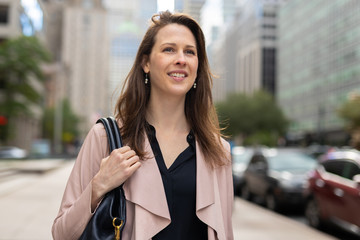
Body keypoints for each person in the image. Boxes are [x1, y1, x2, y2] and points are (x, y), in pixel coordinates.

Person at [52, 11, 234, 240]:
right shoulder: (105, 138)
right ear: (145, 63)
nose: (181, 59)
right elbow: (61, 234)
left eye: (190, 52)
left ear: (198, 67)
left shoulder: (218, 153)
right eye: (169, 49)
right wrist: (99, 185)